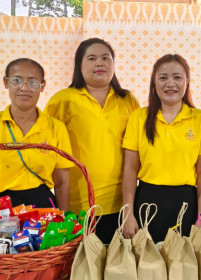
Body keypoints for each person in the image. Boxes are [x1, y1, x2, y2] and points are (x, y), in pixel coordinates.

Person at [44, 37, 140, 244]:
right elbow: (48, 150)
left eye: (106, 58)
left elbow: (137, 147)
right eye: (92, 58)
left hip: (121, 204)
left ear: (113, 65)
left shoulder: (128, 100)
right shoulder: (62, 100)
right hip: (78, 204)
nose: (100, 63)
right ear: (79, 66)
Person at [122, 54, 201, 242]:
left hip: (185, 203)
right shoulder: (139, 117)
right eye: (163, 77)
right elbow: (130, 169)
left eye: (177, 77)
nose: (170, 83)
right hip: (146, 202)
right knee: (146, 266)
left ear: (187, 82)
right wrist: (128, 214)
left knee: (183, 267)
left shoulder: (200, 119)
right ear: (154, 83)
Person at [0, 58, 74, 212]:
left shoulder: (55, 128)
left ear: (42, 86)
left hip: (41, 208)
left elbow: (62, 182)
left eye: (33, 82)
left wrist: (64, 219)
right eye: (17, 80)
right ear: (6, 82)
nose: (24, 87)